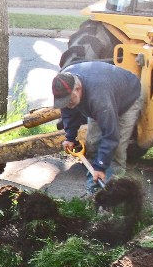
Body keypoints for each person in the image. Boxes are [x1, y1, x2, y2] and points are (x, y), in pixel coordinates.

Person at [52, 61, 145, 193]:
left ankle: (115, 190)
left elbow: (111, 135)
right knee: (93, 143)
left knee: (117, 149)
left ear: (78, 89)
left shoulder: (99, 98)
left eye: (70, 100)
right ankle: (95, 186)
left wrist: (100, 167)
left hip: (128, 98)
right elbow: (68, 111)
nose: (67, 104)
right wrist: (70, 137)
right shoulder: (64, 82)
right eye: (64, 101)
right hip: (104, 96)